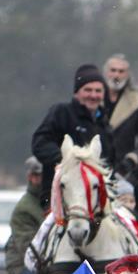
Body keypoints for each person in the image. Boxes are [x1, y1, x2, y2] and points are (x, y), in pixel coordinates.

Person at [32, 64, 114, 209]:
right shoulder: (61, 113)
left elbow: (110, 160)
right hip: (58, 197)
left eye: (98, 91)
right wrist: (67, 161)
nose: (93, 95)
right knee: (46, 232)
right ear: (77, 92)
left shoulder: (105, 123)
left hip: (95, 202)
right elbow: (40, 143)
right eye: (88, 90)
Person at [104, 53, 138, 178]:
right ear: (106, 72)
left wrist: (133, 157)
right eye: (113, 70)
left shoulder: (136, 100)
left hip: (124, 168)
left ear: (127, 74)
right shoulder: (94, 96)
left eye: (121, 71)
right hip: (95, 164)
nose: (116, 75)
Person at [4, 156, 45, 274]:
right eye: (40, 175)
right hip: (23, 271)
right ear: (31, 177)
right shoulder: (24, 209)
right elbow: (31, 253)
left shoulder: (54, 202)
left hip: (45, 267)